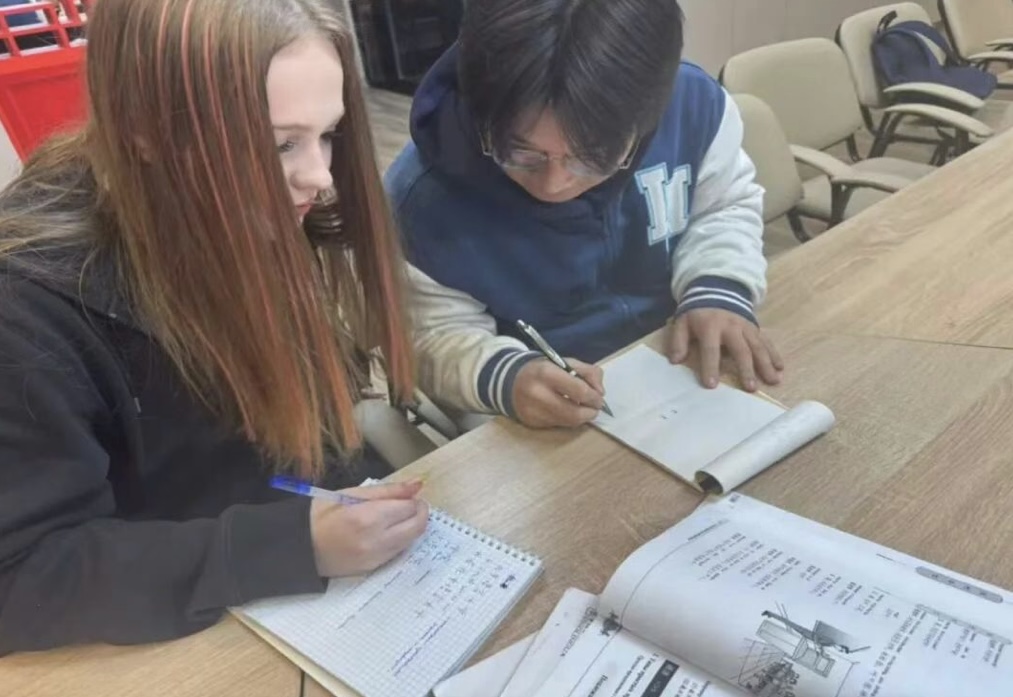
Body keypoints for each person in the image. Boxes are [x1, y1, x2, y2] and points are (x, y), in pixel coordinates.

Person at [0, 0, 429, 655]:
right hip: (164, 635)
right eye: (281, 143)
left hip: (293, 557)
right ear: (146, 134)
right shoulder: (28, 309)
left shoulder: (255, 206)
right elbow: (25, 577)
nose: (319, 177)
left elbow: (294, 431)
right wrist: (289, 545)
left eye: (329, 133)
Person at [386, 0, 784, 430]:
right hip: (541, 408)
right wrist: (506, 376)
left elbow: (723, 205)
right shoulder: (421, 199)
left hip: (674, 356)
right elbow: (433, 335)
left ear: (648, 121)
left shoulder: (692, 108)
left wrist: (718, 287)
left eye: (594, 157)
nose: (554, 184)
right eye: (521, 152)